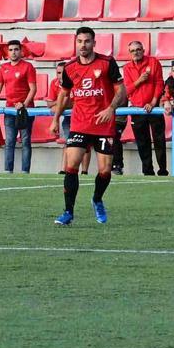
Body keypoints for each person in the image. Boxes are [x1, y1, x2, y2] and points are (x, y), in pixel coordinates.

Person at [47, 26, 125, 226]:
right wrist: (55, 119)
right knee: (71, 165)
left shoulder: (107, 63)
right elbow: (63, 95)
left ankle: (97, 199)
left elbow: (121, 91)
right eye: (80, 41)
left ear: (94, 43)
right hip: (80, 123)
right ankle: (68, 212)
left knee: (105, 170)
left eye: (87, 41)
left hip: (103, 124)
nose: (83, 45)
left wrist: (110, 108)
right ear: (76, 43)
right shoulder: (70, 68)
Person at [0, 40, 37, 173]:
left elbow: (33, 89)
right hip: (9, 110)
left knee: (25, 141)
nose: (13, 52)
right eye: (11, 50)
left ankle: (25, 172)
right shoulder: (3, 68)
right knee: (9, 142)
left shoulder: (28, 66)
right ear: (7, 52)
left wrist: (24, 104)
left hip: (25, 111)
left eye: (16, 49)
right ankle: (8, 171)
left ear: (21, 51)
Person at [118, 40, 168, 176]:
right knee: (142, 142)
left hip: (154, 108)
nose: (136, 52)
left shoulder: (153, 62)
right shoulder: (127, 68)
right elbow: (127, 90)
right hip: (137, 109)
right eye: (133, 51)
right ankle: (148, 172)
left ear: (143, 50)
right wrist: (139, 80)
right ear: (129, 53)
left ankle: (163, 170)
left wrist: (153, 102)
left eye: (138, 49)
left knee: (159, 140)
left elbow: (159, 83)